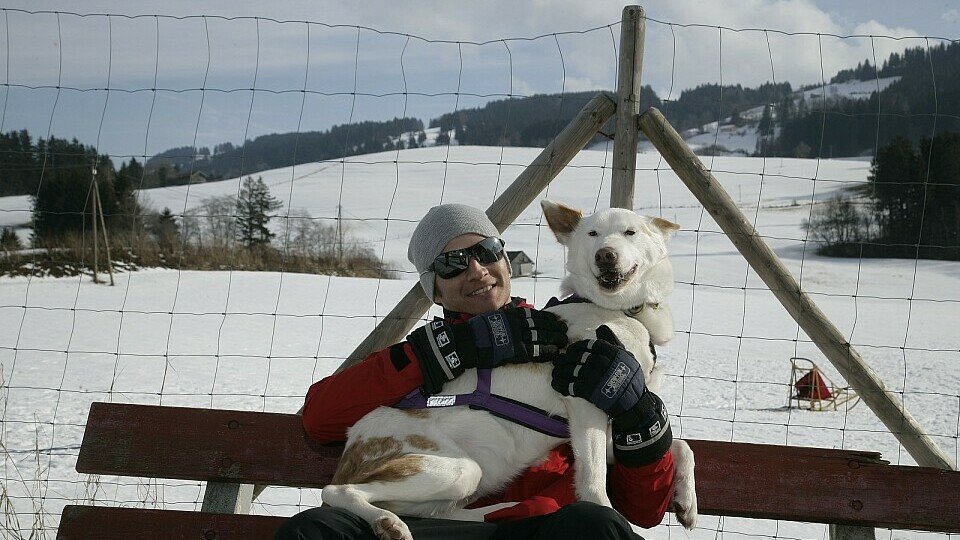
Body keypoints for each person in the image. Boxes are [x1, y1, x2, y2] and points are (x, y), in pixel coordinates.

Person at [276, 204, 675, 540]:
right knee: (314, 531)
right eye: (451, 264)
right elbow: (320, 418)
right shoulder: (419, 359)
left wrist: (635, 413)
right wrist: (452, 349)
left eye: (486, 252)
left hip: (534, 528)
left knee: (597, 526)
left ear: (505, 260)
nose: (477, 271)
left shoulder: (572, 336)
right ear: (434, 290)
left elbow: (646, 510)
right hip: (424, 527)